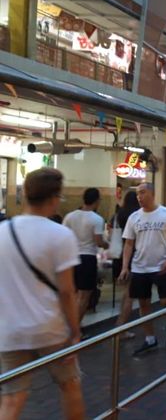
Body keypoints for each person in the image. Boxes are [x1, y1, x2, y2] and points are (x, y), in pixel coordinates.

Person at [0, 168, 85, 420]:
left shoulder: (2, 232)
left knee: (12, 398)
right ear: (54, 197)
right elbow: (67, 291)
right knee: (69, 387)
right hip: (51, 330)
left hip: (10, 330)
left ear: (25, 194)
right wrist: (75, 330)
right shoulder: (60, 235)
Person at [119, 183, 166, 355]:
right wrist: (125, 266)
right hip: (140, 267)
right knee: (144, 303)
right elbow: (129, 244)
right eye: (137, 193)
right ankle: (150, 338)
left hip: (162, 265)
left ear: (152, 193)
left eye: (143, 192)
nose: (139, 196)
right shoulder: (134, 218)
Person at [63, 187, 108, 323]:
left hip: (71, 258)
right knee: (84, 296)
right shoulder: (97, 219)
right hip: (87, 258)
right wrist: (108, 245)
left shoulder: (70, 216)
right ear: (97, 201)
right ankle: (75, 329)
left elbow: (63, 236)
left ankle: (69, 326)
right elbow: (99, 242)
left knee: (74, 294)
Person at [112, 190, 139, 335]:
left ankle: (120, 324)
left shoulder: (119, 214)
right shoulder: (137, 216)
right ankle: (120, 328)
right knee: (130, 294)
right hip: (133, 256)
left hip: (120, 255)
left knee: (126, 293)